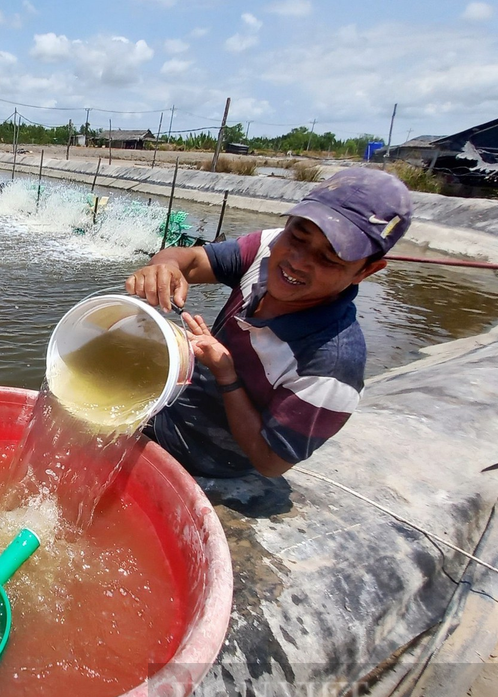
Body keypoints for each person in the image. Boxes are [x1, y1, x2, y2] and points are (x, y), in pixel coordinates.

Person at [125, 168, 413, 479]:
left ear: (365, 271)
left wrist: (227, 374)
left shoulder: (332, 366)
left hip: (206, 457)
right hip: (171, 404)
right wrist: (164, 266)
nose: (298, 261)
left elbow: (270, 462)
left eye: (329, 258)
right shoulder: (269, 247)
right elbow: (192, 260)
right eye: (298, 236)